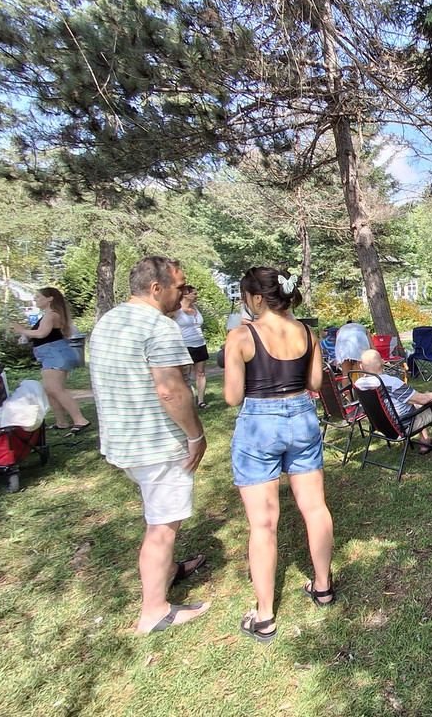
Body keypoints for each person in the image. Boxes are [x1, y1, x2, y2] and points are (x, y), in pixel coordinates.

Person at [87, 257, 209, 634]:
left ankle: (168, 569)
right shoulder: (159, 326)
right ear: (157, 288)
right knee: (162, 526)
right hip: (156, 444)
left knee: (156, 511)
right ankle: (154, 610)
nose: (183, 293)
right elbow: (171, 391)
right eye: (179, 286)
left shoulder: (108, 321)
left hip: (122, 440)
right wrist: (195, 435)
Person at [222, 267, 334, 643]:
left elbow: (232, 397)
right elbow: (315, 383)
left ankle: (265, 615)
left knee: (263, 524)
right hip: (302, 417)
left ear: (256, 299)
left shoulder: (241, 335)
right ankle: (323, 586)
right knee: (315, 508)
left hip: (259, 423)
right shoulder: (307, 333)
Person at [353, 349, 432, 458]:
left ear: (361, 367)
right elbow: (423, 399)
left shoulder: (358, 384)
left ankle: (425, 442)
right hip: (404, 426)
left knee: (414, 403)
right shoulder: (391, 383)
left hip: (383, 427)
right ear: (382, 362)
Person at [10, 287, 90, 433]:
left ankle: (80, 420)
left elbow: (42, 333)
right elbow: (41, 334)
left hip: (55, 354)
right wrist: (26, 335)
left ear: (50, 298)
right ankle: (61, 422)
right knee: (49, 390)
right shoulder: (48, 315)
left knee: (55, 389)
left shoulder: (52, 315)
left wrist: (21, 330)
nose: (35, 299)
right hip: (49, 354)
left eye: (38, 297)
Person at [173, 285, 210, 409]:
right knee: (185, 375)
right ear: (185, 294)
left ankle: (201, 401)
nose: (196, 296)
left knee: (200, 373)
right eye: (194, 293)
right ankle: (186, 401)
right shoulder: (175, 310)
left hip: (200, 343)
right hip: (185, 345)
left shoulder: (196, 307)